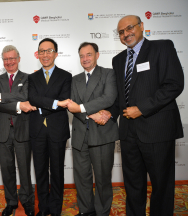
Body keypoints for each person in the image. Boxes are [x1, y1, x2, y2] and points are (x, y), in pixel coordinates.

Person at [109, 15, 184, 215]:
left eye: (130, 28)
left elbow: (174, 84)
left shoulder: (162, 48)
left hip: (157, 129)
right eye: (121, 32)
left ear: (142, 26)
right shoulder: (118, 60)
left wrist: (142, 108)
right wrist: (106, 113)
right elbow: (120, 99)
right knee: (133, 185)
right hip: (128, 133)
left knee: (161, 184)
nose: (126, 34)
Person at [63, 42, 118, 216]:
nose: (85, 59)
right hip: (80, 135)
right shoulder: (74, 79)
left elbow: (108, 99)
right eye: (82, 56)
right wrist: (89, 114)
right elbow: (71, 106)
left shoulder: (108, 74)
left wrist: (82, 109)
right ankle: (86, 211)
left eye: (89, 54)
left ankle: (102, 212)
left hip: (102, 134)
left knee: (102, 179)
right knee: (82, 178)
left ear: (97, 55)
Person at [0, 45, 36, 216]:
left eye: (12, 58)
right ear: (3, 61)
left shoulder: (29, 78)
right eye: (6, 59)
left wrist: (2, 97)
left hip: (22, 130)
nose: (9, 62)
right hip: (2, 131)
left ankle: (28, 201)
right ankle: (11, 202)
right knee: (7, 169)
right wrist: (17, 104)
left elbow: (25, 97)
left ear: (19, 59)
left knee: (24, 170)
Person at [28, 38, 72, 216]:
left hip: (57, 130)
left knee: (57, 172)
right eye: (42, 51)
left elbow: (65, 99)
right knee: (40, 172)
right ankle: (43, 207)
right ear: (37, 54)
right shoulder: (31, 77)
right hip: (37, 131)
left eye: (49, 50)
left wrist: (41, 105)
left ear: (56, 53)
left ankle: (55, 209)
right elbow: (32, 98)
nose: (45, 54)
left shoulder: (66, 76)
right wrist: (55, 103)